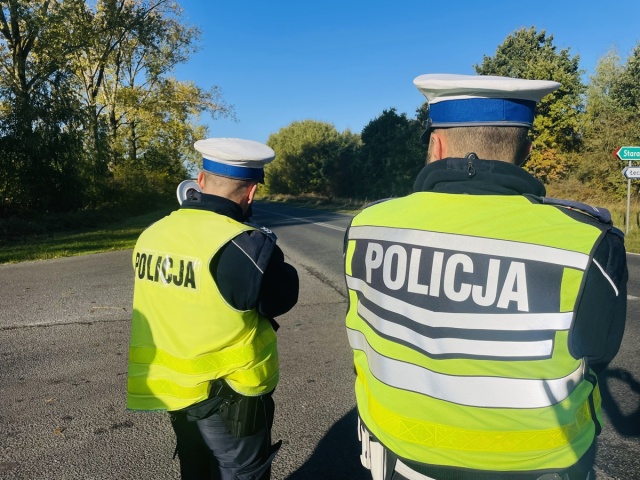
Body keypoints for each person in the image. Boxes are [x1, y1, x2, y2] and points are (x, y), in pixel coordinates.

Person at [344, 74, 628, 480]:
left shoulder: (367, 226)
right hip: (539, 467)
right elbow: (598, 352)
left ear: (436, 145)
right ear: (527, 150)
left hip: (398, 455)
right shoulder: (588, 240)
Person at [127, 137, 299, 480]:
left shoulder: (152, 233)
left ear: (200, 181)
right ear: (251, 194)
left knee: (194, 468)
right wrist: (265, 245)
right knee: (241, 473)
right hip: (232, 396)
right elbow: (283, 297)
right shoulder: (244, 244)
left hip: (176, 392)